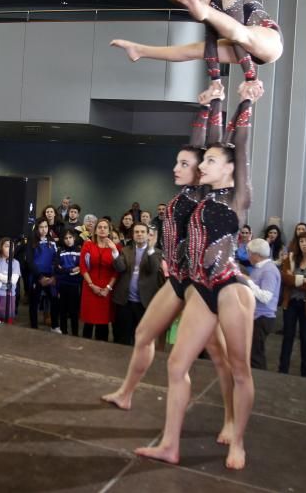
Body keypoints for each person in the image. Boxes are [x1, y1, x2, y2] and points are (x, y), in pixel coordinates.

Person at [136, 86, 256, 470]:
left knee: (239, 369)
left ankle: (236, 437)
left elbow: (241, 145)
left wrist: (247, 101)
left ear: (230, 169)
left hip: (230, 288)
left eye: (211, 161)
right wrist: (213, 102)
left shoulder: (239, 195)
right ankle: (170, 445)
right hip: (202, 288)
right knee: (176, 365)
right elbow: (205, 142)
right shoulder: (202, 192)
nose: (201, 165)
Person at [110, 0, 278, 102]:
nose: (194, 1)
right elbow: (211, 45)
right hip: (246, 48)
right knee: (195, 49)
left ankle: (205, 14)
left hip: (268, 39)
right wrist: (215, 82)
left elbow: (238, 35)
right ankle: (140, 50)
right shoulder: (210, 5)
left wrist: (251, 78)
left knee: (239, 33)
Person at [277, 232, 306, 376]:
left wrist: (295, 280)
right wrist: (304, 280)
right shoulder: (291, 258)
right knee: (288, 336)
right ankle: (282, 369)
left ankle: (305, 371)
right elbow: (284, 278)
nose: (304, 244)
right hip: (291, 302)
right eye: (302, 241)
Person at [109, 223, 162, 346]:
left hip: (144, 302)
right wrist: (115, 252)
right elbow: (120, 268)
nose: (139, 234)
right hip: (125, 300)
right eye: (137, 232)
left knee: (141, 337)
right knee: (123, 336)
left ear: (148, 235)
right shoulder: (125, 250)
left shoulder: (156, 252)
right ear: (133, 235)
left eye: (142, 232)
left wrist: (150, 249)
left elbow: (153, 269)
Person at [241, 238, 280, 370]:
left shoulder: (268, 271)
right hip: (257, 316)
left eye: (249, 252)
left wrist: (248, 281)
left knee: (256, 356)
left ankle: (259, 380)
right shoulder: (260, 269)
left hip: (263, 317)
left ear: (256, 255)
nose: (248, 256)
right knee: (253, 353)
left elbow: (265, 297)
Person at [79, 219, 121, 342]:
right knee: (88, 321)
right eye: (100, 227)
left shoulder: (116, 247)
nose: (102, 229)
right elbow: (83, 266)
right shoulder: (88, 245)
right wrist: (92, 285)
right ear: (95, 230)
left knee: (103, 323)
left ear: (109, 231)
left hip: (107, 289)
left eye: (105, 227)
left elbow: (116, 271)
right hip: (89, 286)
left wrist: (108, 288)